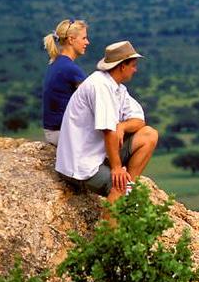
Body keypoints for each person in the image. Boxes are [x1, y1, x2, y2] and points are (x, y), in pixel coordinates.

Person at [55, 40, 158, 204]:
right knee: (120, 187)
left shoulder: (117, 88)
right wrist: (117, 168)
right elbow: (108, 131)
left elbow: (140, 121)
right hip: (81, 164)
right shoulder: (100, 86)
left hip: (98, 154)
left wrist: (122, 126)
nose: (135, 69)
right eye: (133, 65)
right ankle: (108, 228)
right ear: (122, 66)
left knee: (149, 135)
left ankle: (129, 189)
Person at [42, 19, 90, 145]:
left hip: (52, 131)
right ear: (71, 39)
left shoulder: (56, 62)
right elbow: (92, 100)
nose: (87, 42)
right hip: (62, 133)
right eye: (84, 38)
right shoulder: (70, 69)